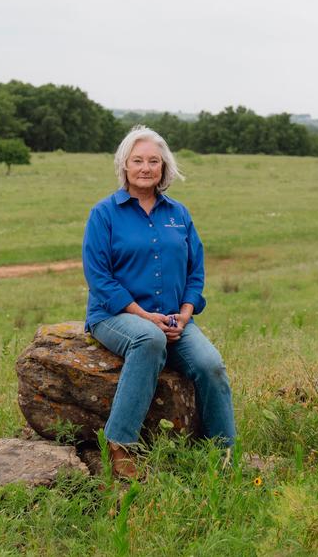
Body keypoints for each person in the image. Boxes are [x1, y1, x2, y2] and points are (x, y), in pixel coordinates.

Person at [82, 125, 236, 478]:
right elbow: (99, 278)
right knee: (148, 340)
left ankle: (224, 456)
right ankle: (120, 445)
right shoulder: (104, 214)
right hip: (115, 315)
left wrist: (184, 314)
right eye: (138, 160)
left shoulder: (178, 215)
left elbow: (196, 271)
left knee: (211, 365)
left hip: (174, 318)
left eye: (154, 161)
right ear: (124, 166)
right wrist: (143, 316)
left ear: (164, 168)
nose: (146, 168)